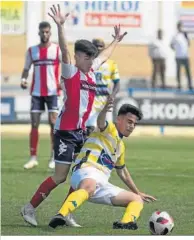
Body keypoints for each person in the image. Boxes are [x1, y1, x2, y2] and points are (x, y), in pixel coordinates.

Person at [21, 4, 127, 227]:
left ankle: (66, 212)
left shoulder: (91, 71)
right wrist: (60, 26)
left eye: (92, 57)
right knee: (60, 176)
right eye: (87, 57)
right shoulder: (71, 72)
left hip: (80, 132)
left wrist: (116, 40)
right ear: (78, 58)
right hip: (65, 133)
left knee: (80, 174)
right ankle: (29, 208)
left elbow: (105, 55)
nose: (91, 60)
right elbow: (65, 50)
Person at [48, 99, 156, 230]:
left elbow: (122, 172)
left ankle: (125, 223)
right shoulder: (109, 129)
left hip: (102, 183)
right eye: (129, 122)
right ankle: (61, 215)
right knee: (90, 186)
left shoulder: (121, 146)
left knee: (136, 200)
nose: (131, 126)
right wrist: (104, 110)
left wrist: (138, 192)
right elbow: (100, 121)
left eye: (134, 124)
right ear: (119, 119)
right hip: (85, 171)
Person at [21, 21, 61, 170]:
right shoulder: (32, 51)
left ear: (50, 33)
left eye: (47, 32)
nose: (44, 34)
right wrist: (23, 80)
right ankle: (33, 158)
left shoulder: (57, 50)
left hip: (53, 92)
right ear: (39, 33)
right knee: (34, 123)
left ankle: (53, 157)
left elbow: (67, 66)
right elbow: (26, 69)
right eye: (42, 32)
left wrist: (63, 81)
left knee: (53, 124)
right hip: (37, 92)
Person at [86, 38, 120, 135]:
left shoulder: (111, 64)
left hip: (105, 102)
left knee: (106, 130)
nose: (98, 48)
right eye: (96, 46)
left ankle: (106, 150)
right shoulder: (87, 63)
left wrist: (113, 95)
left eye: (101, 46)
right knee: (90, 130)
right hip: (90, 101)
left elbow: (117, 83)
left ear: (104, 48)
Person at [171, 21, 193, 91]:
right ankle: (179, 85)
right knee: (178, 71)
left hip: (186, 56)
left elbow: (189, 44)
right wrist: (176, 50)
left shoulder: (186, 34)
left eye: (181, 26)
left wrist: (186, 39)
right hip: (178, 57)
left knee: (188, 71)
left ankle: (190, 85)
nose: (180, 27)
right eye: (179, 26)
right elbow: (171, 44)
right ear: (177, 27)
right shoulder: (175, 36)